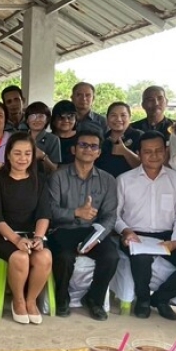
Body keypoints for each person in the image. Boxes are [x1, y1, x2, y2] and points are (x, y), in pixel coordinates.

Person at [116, 131, 176, 320]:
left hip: (167, 235)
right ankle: (143, 300)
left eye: (158, 150)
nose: (154, 155)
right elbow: (114, 215)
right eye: (147, 151)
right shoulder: (124, 180)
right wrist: (126, 231)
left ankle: (161, 299)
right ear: (138, 153)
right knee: (141, 259)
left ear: (166, 151)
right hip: (135, 234)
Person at [47, 126, 119, 320]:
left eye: (93, 146)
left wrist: (97, 238)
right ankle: (62, 298)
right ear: (74, 149)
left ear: (99, 152)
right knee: (64, 257)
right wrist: (76, 212)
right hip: (63, 229)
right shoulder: (58, 176)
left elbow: (110, 216)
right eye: (83, 145)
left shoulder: (108, 180)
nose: (88, 149)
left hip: (93, 231)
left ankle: (94, 300)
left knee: (111, 257)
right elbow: (50, 211)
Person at [0, 133, 52, 324]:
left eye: (27, 154)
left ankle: (31, 300)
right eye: (17, 153)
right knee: (20, 257)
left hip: (30, 234)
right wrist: (16, 240)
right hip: (1, 233)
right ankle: (18, 300)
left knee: (44, 257)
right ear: (8, 155)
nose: (23, 158)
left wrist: (38, 238)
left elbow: (44, 214)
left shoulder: (39, 180)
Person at [95, 102, 142, 177]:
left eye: (123, 115)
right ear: (107, 118)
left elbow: (146, 166)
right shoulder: (101, 139)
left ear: (130, 117)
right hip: (105, 182)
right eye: (113, 115)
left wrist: (125, 152)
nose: (118, 119)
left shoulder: (139, 136)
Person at [24, 101, 60, 176]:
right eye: (32, 116)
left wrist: (43, 156)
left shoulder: (53, 139)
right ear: (27, 120)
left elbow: (55, 169)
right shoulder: (21, 138)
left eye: (41, 116)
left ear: (47, 119)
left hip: (44, 180)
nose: (37, 120)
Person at [51, 100, 78, 165]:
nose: (66, 120)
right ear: (53, 120)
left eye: (70, 117)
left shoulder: (81, 139)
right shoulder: (47, 139)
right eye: (61, 117)